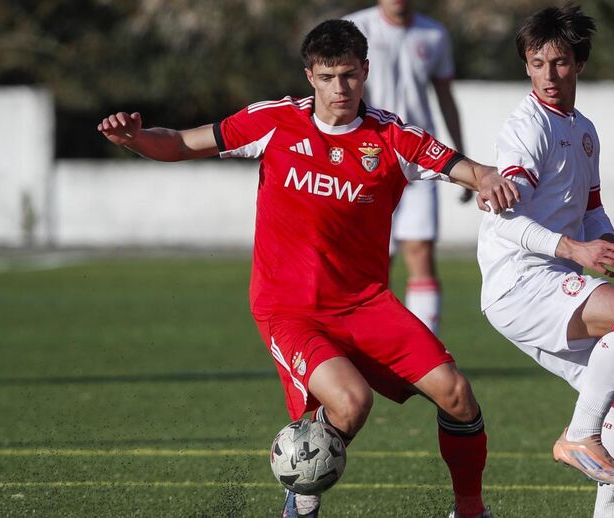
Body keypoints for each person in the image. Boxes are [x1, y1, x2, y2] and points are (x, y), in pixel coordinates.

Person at [97, 20, 517, 518]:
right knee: (350, 403)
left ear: (365, 71)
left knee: (457, 394)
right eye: (327, 76)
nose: (340, 88)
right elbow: (184, 143)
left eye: (349, 75)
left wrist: (489, 176)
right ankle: (302, 496)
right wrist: (138, 139)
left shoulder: (390, 137)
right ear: (310, 77)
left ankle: (470, 510)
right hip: (289, 309)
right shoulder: (274, 122)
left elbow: (461, 168)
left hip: (365, 304)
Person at [477, 6, 614, 518]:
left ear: (579, 64)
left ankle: (610, 512)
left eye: (558, 62)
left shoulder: (582, 128)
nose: (547, 75)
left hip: (546, 282)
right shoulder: (526, 128)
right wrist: (578, 252)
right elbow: (504, 222)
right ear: (525, 64)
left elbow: (589, 208)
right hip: (519, 282)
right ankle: (580, 435)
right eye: (536, 62)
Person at [344, 0, 469, 335]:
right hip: (366, 161)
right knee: (373, 261)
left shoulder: (434, 34)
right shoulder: (354, 28)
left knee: (420, 252)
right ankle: (367, 342)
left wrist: (461, 154)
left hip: (418, 159)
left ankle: (425, 348)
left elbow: (445, 95)